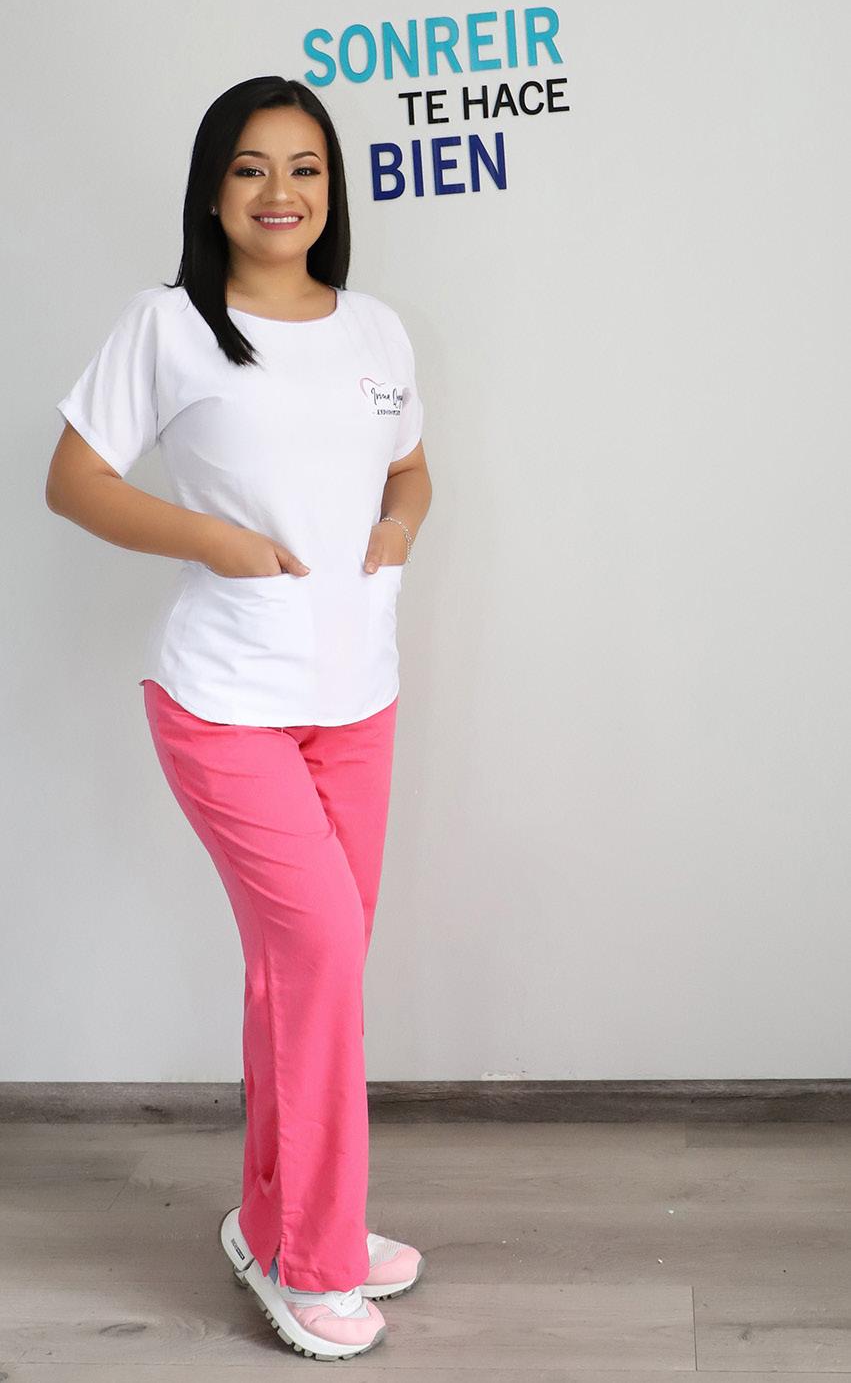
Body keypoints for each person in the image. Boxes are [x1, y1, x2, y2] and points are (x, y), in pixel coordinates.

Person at [45, 75, 433, 1361]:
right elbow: (74, 480)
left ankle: (279, 1214)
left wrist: (398, 525)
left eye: (305, 167)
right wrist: (213, 538)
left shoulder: (376, 329)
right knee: (316, 957)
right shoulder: (168, 324)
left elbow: (410, 465)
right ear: (213, 190)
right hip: (224, 701)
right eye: (252, 167)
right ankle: (312, 1263)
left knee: (310, 972)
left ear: (332, 189)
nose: (281, 192)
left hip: (356, 698)